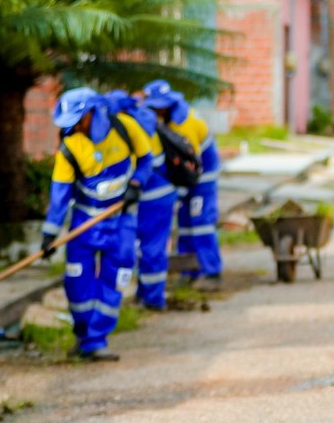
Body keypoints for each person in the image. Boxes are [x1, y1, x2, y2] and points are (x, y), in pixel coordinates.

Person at [43, 87, 153, 361]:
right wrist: (49, 234)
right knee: (76, 281)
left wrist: (136, 185)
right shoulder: (69, 146)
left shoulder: (125, 127)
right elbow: (60, 194)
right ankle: (84, 334)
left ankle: (97, 340)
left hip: (121, 219)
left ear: (93, 113)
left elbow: (146, 159)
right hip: (85, 220)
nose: (74, 128)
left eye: (78, 120)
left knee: (116, 276)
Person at [147, 81, 223, 286]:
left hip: (202, 178)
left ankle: (212, 273)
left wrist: (177, 192)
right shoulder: (169, 119)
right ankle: (190, 273)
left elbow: (191, 165)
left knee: (201, 224)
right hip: (188, 178)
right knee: (185, 224)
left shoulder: (185, 123)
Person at [127, 82, 183, 311]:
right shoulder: (148, 124)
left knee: (152, 249)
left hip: (154, 198)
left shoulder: (140, 128)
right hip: (154, 197)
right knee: (148, 248)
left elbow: (143, 165)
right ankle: (146, 293)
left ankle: (153, 298)